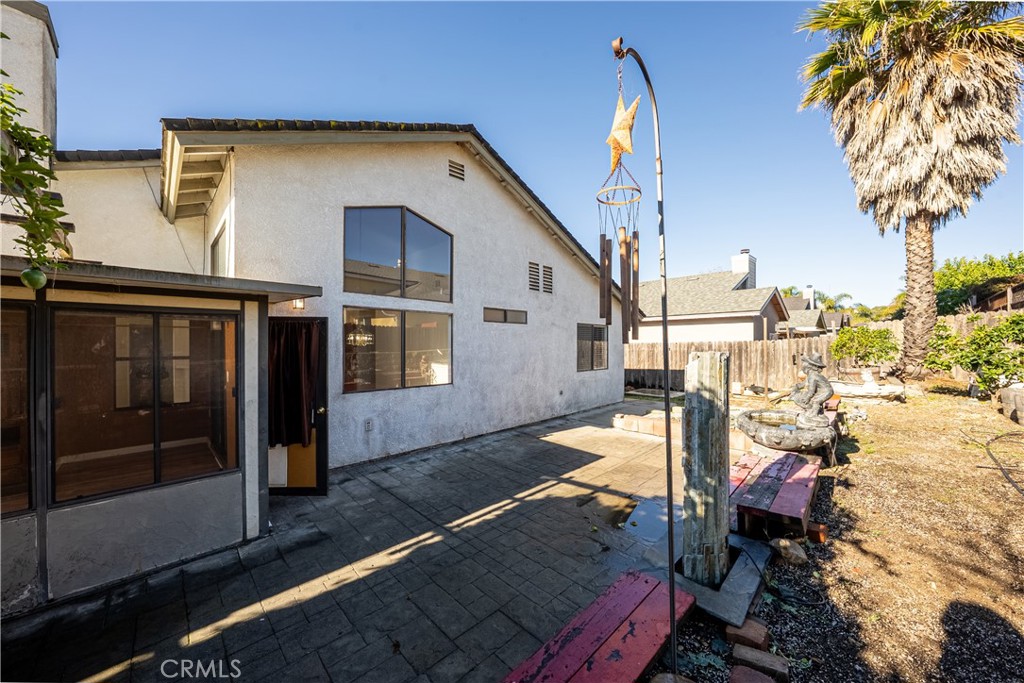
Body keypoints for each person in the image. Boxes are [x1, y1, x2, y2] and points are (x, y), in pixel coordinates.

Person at [790, 352, 833, 427]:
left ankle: (813, 415)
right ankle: (817, 413)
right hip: (823, 391)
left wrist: (808, 397)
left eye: (806, 363)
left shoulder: (813, 375)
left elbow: (811, 390)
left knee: (815, 401)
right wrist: (796, 386)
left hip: (826, 391)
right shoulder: (811, 374)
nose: (804, 365)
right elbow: (804, 383)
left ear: (811, 366)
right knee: (815, 401)